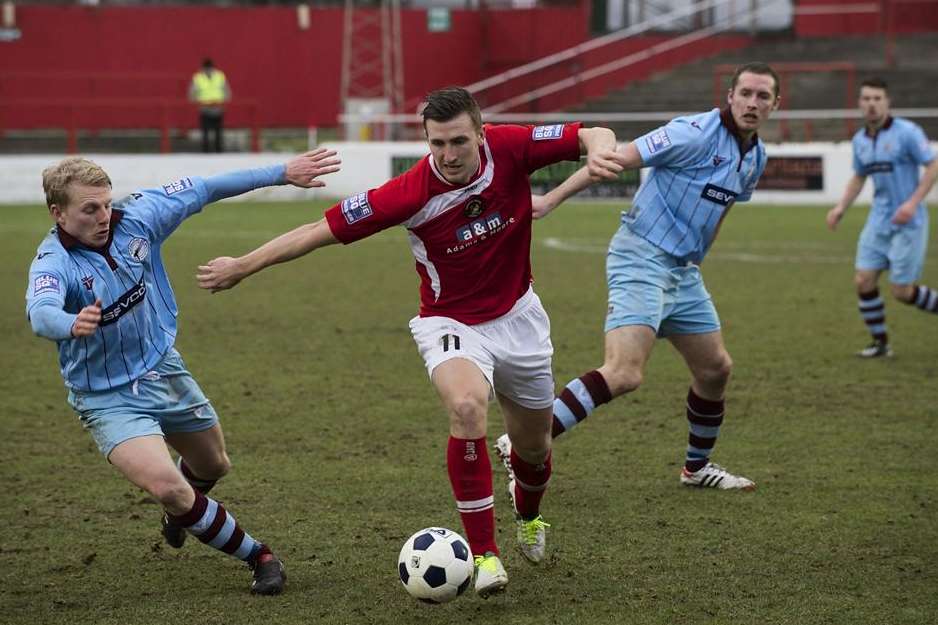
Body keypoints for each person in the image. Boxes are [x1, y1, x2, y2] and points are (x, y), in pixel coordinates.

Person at [196, 87, 620, 596]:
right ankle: (485, 556)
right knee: (466, 407)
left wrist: (599, 148)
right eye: (437, 143)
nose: (448, 154)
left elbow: (592, 133)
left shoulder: (511, 147)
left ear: (481, 134)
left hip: (521, 319)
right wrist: (243, 265)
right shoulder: (409, 193)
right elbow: (317, 229)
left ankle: (528, 511)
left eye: (459, 141)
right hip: (451, 323)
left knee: (534, 451)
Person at [26, 149, 341, 595]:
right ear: (58, 213)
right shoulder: (53, 261)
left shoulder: (138, 216)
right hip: (106, 396)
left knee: (214, 464)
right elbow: (40, 312)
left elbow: (206, 188)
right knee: (170, 487)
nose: (103, 215)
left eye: (106, 203)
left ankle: (183, 517)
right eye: (89, 209)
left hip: (161, 368)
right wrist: (68, 323)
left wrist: (282, 173)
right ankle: (260, 556)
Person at [495, 62, 781, 494]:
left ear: (776, 104)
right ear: (730, 96)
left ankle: (696, 468)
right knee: (624, 372)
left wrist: (697, 260)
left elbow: (721, 210)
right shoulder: (693, 133)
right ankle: (516, 442)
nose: (752, 103)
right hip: (641, 255)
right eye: (746, 93)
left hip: (683, 272)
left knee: (715, 369)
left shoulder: (755, 156)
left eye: (763, 96)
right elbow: (612, 159)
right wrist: (551, 200)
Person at [826, 77, 938, 357]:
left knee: (901, 291)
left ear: (888, 102)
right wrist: (841, 207)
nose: (872, 104)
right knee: (863, 281)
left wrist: (912, 203)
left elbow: (933, 164)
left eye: (877, 98)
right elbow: (859, 176)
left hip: (909, 222)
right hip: (879, 220)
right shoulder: (860, 139)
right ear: (860, 103)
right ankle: (881, 344)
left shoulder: (907, 132)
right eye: (866, 99)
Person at [189, 58, 231, 153]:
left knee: (218, 132)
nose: (208, 70)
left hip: (218, 107)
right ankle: (206, 152)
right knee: (205, 132)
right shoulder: (198, 77)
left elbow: (226, 90)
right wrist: (196, 102)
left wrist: (225, 102)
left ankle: (219, 151)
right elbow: (192, 92)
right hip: (205, 108)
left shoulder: (220, 76)